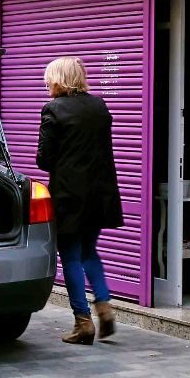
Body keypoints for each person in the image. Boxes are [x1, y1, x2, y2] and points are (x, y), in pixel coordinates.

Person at [36, 56, 124, 345]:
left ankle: (83, 323)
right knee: (89, 251)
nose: (46, 82)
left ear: (60, 78)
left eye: (49, 77)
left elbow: (44, 160)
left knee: (71, 255)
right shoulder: (100, 107)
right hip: (100, 193)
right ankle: (105, 305)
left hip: (68, 196)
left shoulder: (53, 109)